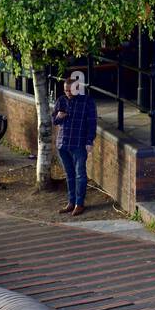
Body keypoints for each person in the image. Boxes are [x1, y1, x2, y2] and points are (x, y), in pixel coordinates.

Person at [52, 72, 98, 215]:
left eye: (70, 90)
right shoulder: (61, 100)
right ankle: (71, 202)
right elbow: (54, 120)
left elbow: (92, 123)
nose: (68, 93)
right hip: (62, 143)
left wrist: (89, 141)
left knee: (80, 174)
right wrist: (59, 117)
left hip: (79, 143)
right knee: (69, 174)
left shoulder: (87, 101)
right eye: (65, 90)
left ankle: (79, 203)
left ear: (77, 88)